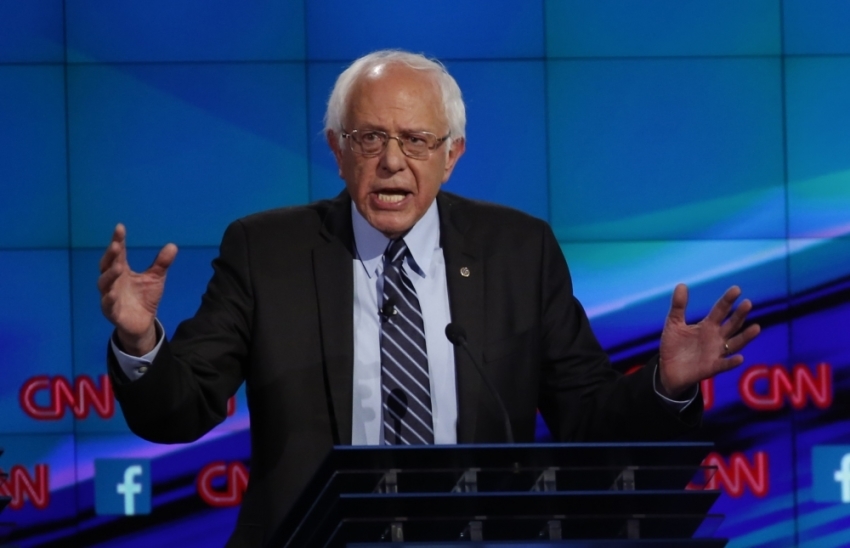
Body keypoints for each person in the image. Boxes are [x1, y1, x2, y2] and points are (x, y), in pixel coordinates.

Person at [98, 50, 760, 546]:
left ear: (453, 154)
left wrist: (666, 386)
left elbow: (586, 419)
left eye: (416, 141)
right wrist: (139, 344)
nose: (392, 162)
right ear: (336, 149)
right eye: (369, 139)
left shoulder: (517, 251)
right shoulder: (266, 251)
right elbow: (178, 411)